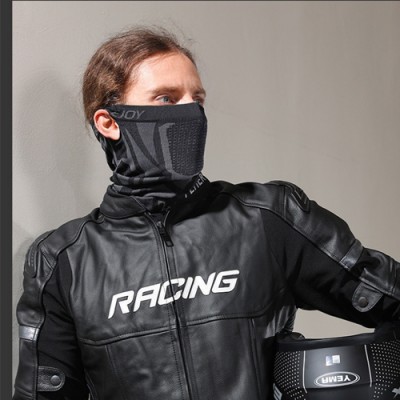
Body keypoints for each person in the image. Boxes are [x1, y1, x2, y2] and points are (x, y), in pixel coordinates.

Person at [13, 26, 400, 400]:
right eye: (166, 99)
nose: (191, 113)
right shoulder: (63, 260)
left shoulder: (268, 218)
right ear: (110, 122)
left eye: (196, 99)